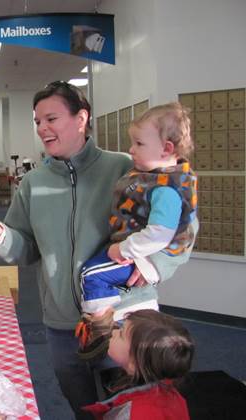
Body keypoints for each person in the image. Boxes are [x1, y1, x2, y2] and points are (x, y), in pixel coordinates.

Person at [0, 81, 198, 419]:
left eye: (51, 118)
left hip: (124, 322)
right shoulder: (33, 183)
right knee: (83, 408)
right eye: (37, 122)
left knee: (132, 409)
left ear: (81, 119)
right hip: (63, 326)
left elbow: (183, 226)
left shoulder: (127, 167)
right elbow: (26, 246)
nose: (42, 129)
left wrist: (155, 263)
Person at [75, 103, 198, 361]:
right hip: (138, 253)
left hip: (142, 256)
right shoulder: (149, 174)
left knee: (92, 275)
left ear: (167, 149)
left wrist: (124, 250)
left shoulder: (165, 189)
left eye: (139, 144)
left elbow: (161, 234)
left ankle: (99, 328)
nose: (131, 149)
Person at [83, 309, 194, 419]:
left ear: (133, 364)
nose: (114, 331)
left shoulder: (130, 415)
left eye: (121, 334)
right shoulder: (170, 391)